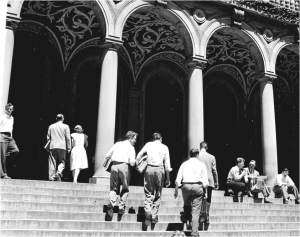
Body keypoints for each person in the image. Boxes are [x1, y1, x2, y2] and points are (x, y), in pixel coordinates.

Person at [136, 132, 172, 226]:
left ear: (153, 139)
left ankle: (147, 210)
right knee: (158, 192)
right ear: (161, 139)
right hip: (160, 169)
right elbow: (167, 164)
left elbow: (139, 155)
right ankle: (154, 215)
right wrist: (168, 178)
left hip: (149, 168)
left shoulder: (148, 144)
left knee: (148, 191)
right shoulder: (164, 147)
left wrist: (138, 164)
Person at [174, 148, 208, 237]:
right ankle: (194, 232)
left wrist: (176, 190)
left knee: (187, 205)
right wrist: (206, 192)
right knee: (196, 211)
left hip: (186, 186)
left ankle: (187, 218)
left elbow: (178, 179)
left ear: (189, 155)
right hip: (198, 186)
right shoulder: (201, 164)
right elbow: (205, 181)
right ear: (197, 155)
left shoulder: (184, 164)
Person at [105, 130, 138, 218]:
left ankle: (111, 204)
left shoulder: (117, 144)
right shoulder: (131, 147)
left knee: (113, 187)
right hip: (124, 167)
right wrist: (136, 162)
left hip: (114, 166)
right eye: (135, 139)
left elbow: (108, 155)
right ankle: (121, 207)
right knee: (125, 188)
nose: (135, 141)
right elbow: (131, 162)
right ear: (130, 138)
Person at [198, 141, 218, 223]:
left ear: (200, 147)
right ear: (207, 148)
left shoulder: (196, 155)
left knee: (200, 197)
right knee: (208, 198)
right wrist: (216, 181)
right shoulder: (212, 157)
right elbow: (214, 170)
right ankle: (207, 215)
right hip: (209, 179)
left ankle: (202, 215)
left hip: (200, 179)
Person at [47, 114, 71, 181]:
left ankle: (51, 177)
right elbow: (68, 138)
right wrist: (69, 147)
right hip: (62, 146)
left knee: (52, 161)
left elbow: (48, 138)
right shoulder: (66, 126)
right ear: (63, 118)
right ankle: (59, 172)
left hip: (53, 146)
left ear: (56, 118)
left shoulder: (51, 126)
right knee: (62, 161)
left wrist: (48, 146)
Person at [0, 103, 19, 179]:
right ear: (5, 109)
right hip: (2, 135)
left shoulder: (12, 118)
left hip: (9, 136)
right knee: (2, 157)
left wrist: (11, 137)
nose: (9, 110)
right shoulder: (2, 117)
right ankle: (3, 174)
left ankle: (4, 157)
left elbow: (11, 128)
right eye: (8, 109)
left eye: (11, 109)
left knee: (15, 150)